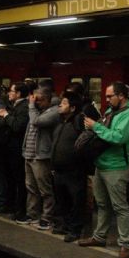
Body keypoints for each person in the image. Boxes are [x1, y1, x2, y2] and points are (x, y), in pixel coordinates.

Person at [79, 82, 129, 258]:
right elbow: (102, 131)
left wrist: (96, 127)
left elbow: (119, 137)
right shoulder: (109, 111)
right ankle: (99, 237)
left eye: (109, 96)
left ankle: (125, 244)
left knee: (120, 207)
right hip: (101, 163)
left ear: (121, 95)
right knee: (102, 204)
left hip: (117, 166)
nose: (106, 100)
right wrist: (91, 126)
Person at [18, 86, 60, 230]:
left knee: (45, 189)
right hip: (29, 154)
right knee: (31, 187)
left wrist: (31, 106)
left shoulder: (54, 111)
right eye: (35, 100)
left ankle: (47, 218)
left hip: (41, 156)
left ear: (48, 100)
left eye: (40, 100)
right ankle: (32, 215)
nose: (36, 103)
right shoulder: (37, 110)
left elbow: (37, 122)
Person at [51, 92, 87, 242]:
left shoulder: (78, 121)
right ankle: (64, 225)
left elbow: (84, 144)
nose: (60, 105)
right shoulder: (61, 122)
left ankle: (75, 230)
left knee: (76, 201)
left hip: (74, 170)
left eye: (64, 103)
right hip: (59, 169)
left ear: (72, 108)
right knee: (62, 200)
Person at [0, 82, 30, 217]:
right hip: (10, 149)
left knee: (19, 180)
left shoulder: (24, 107)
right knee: (10, 178)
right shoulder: (15, 106)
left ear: (19, 93)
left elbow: (17, 126)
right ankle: (11, 205)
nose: (9, 93)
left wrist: (6, 116)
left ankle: (19, 210)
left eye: (12, 91)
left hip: (17, 149)